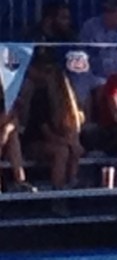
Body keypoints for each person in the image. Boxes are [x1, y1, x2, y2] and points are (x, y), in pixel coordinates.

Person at [20, 46, 84, 190]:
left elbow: (74, 124)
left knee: (72, 147)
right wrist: (68, 143)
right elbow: (45, 131)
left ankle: (72, 180)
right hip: (35, 142)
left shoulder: (67, 99)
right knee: (62, 150)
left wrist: (73, 142)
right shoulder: (39, 96)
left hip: (60, 141)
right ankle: (58, 193)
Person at [0, 88, 35, 193]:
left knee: (13, 136)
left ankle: (20, 180)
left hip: (4, 139)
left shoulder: (6, 101)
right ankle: (19, 179)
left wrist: (6, 131)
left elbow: (14, 120)